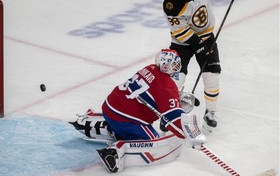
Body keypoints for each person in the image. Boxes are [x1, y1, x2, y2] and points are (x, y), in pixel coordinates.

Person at [69, 49, 206, 173]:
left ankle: (97, 123)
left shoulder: (150, 69)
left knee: (132, 126)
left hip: (110, 107)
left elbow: (155, 92)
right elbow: (172, 119)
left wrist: (178, 98)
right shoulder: (166, 85)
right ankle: (114, 153)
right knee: (153, 143)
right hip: (126, 119)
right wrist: (189, 134)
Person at [163, 0, 247, 132]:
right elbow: (180, 32)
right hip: (182, 43)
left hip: (206, 37)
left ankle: (211, 113)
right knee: (176, 79)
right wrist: (199, 46)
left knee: (212, 75)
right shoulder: (171, 5)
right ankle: (169, 114)